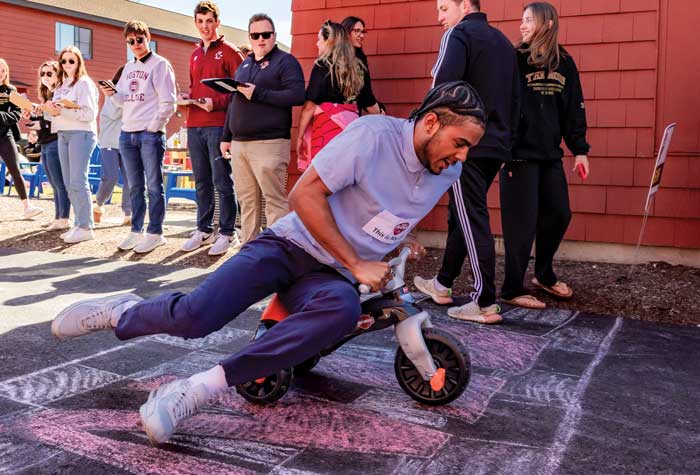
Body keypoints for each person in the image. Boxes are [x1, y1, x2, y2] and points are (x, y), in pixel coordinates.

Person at [51, 81, 486, 445]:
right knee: (196, 317)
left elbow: (380, 209)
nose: (462, 157)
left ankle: (193, 391)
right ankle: (122, 311)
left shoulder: (444, 171)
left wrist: (397, 238)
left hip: (330, 276)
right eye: (460, 143)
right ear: (431, 122)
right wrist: (355, 262)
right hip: (289, 246)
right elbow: (304, 196)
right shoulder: (372, 135)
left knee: (342, 310)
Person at [414, 0, 519, 324]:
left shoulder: (459, 35)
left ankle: (484, 301)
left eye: (444, 8)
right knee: (461, 214)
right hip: (498, 144)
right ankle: (443, 284)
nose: (440, 17)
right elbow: (517, 98)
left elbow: (443, 88)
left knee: (471, 217)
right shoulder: (503, 41)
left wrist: (420, 125)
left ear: (464, 5)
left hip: (466, 144)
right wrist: (508, 144)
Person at [499, 2, 590, 309]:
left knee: (559, 213)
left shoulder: (564, 61)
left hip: (550, 156)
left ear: (547, 24)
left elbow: (574, 107)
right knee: (520, 224)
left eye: (529, 20)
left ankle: (544, 274)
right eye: (522, 19)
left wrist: (579, 150)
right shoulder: (515, 58)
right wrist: (502, 146)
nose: (522, 25)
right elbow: (502, 105)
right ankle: (512, 287)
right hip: (517, 155)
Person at [220, 13, 305, 244]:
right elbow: (234, 101)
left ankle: (275, 255)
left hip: (269, 143)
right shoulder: (245, 63)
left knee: (274, 202)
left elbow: (297, 95)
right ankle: (248, 253)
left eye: (265, 34)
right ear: (249, 37)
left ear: (274, 36)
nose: (261, 39)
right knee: (247, 202)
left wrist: (259, 93)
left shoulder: (285, 62)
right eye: (255, 35)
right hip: (239, 144)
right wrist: (226, 136)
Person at [101, 20, 177, 254]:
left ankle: (155, 232)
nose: (135, 44)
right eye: (130, 41)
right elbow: (123, 100)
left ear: (148, 37)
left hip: (149, 134)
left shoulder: (160, 65)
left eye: (139, 40)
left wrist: (153, 127)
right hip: (127, 133)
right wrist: (112, 94)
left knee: (154, 186)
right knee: (134, 187)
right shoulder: (128, 68)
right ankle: (135, 230)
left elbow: (169, 102)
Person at [180, 1, 245, 256]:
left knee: (222, 181)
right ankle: (204, 229)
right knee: (201, 182)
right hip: (194, 124)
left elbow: (240, 92)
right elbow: (197, 87)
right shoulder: (194, 54)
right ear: (195, 23)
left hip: (218, 126)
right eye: (200, 22)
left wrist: (215, 103)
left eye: (209, 21)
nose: (205, 27)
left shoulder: (229, 52)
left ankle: (228, 233)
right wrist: (189, 97)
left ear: (217, 22)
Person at [296, 21, 378, 171]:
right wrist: (383, 118)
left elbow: (309, 106)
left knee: (323, 178)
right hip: (352, 128)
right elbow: (368, 101)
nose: (317, 43)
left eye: (319, 39)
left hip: (327, 129)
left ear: (329, 41)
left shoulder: (322, 65)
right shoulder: (358, 67)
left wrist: (300, 136)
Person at [45, 47, 99, 243]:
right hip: (63, 133)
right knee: (68, 182)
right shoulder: (61, 85)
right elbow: (56, 112)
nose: (67, 64)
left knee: (77, 181)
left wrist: (63, 111)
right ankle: (79, 224)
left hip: (81, 133)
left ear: (79, 62)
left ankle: (86, 227)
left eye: (71, 61)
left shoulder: (85, 84)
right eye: (63, 61)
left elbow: (89, 114)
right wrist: (43, 109)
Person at [0, 58, 44, 219]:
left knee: (15, 169)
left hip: (5, 135)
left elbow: (16, 114)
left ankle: (27, 207)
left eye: (3, 70)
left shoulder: (10, 91)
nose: (1, 73)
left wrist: (1, 116)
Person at [32, 60, 70, 230]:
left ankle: (64, 218)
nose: (45, 77)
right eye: (42, 74)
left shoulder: (59, 95)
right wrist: (34, 115)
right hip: (44, 141)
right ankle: (57, 217)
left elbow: (57, 119)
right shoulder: (47, 95)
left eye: (49, 73)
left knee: (59, 182)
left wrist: (41, 122)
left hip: (56, 140)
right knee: (53, 182)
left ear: (57, 74)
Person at [94, 66, 131, 226]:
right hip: (109, 142)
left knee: (130, 178)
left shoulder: (127, 94)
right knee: (111, 177)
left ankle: (129, 214)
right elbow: (116, 112)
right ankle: (98, 205)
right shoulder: (112, 94)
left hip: (127, 141)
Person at [341, 16, 383, 115]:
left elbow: (365, 94)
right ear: (346, 32)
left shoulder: (360, 61)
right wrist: (379, 112)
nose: (362, 35)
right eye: (357, 31)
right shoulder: (332, 61)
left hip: (351, 116)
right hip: (337, 118)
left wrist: (379, 108)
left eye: (363, 32)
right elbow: (365, 96)